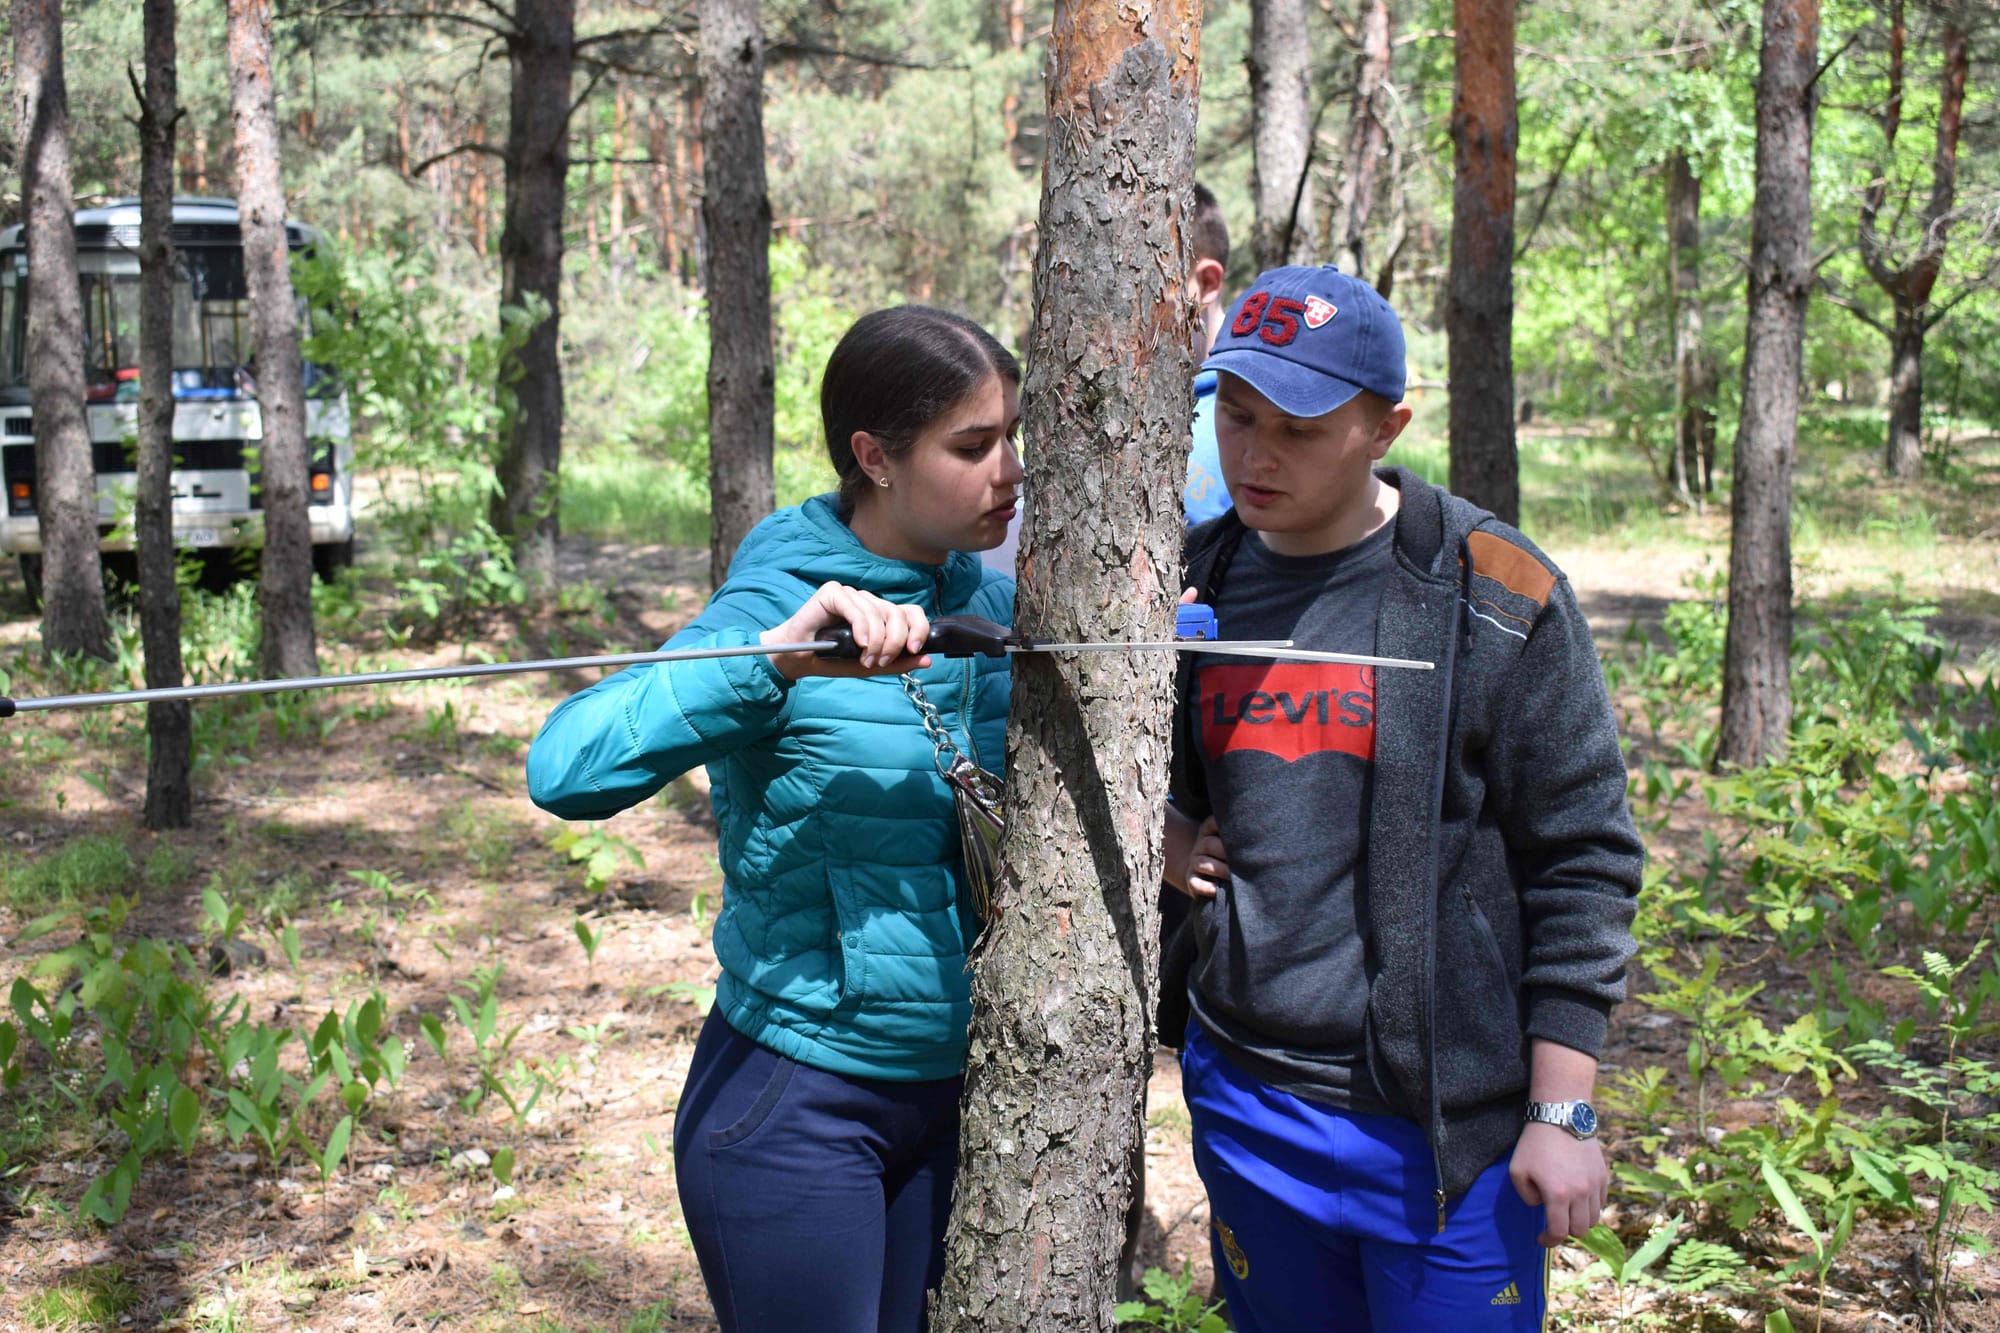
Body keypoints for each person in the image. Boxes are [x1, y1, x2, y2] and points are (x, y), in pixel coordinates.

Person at [1160, 265, 1643, 1331]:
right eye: (1235, 416)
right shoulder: (1193, 582)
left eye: (1298, 428)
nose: (1256, 455)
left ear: (1386, 426)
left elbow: (1583, 854)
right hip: (1249, 1096)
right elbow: (1155, 774)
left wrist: (1561, 1106)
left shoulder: (1495, 592)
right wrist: (1166, 833)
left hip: (1443, 1130)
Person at [527, 306, 1023, 1333]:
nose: (1009, 471)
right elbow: (564, 766)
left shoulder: (996, 608)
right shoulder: (779, 605)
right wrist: (772, 662)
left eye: (1013, 436)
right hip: (795, 1100)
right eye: (972, 446)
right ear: (874, 457)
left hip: (959, 1097)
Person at [979, 182, 1232, 575]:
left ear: (1206, 283)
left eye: (1137, 286)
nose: (1108, 318)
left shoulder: (1247, 419)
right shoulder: (1068, 398)